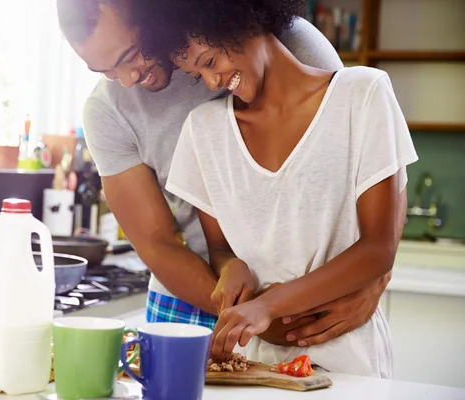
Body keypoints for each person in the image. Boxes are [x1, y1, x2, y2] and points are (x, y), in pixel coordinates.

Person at [55, 0, 399, 350]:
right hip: (192, 300)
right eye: (106, 71)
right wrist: (247, 312)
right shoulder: (107, 112)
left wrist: (374, 282)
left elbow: (368, 159)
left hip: (299, 300)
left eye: (129, 55)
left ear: (149, 14)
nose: (127, 80)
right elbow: (158, 243)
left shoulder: (289, 40)